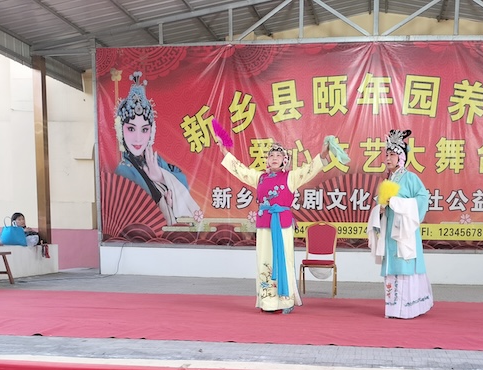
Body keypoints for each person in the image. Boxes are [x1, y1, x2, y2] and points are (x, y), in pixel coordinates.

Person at [215, 137, 331, 313]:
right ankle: (267, 301)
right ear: (267, 160)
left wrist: (322, 155)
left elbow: (308, 171)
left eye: (278, 155)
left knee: (283, 260)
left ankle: (285, 301)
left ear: (285, 160)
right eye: (271, 156)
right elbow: (241, 171)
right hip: (265, 225)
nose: (275, 158)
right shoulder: (260, 178)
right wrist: (224, 151)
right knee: (264, 260)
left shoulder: (291, 177)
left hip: (282, 225)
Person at [114, 71, 200, 227]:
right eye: (131, 129)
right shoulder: (123, 170)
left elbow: (182, 181)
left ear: (151, 131)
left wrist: (161, 177)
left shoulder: (156, 161)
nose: (138, 138)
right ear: (121, 129)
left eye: (144, 129)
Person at [367, 129, 433, 319]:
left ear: (401, 157)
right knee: (393, 268)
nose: (388, 158)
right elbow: (379, 206)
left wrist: (397, 203)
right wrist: (380, 210)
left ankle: (408, 308)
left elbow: (422, 200)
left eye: (392, 155)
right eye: (386, 155)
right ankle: (394, 308)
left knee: (405, 267)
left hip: (404, 232)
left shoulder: (411, 178)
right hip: (389, 231)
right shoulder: (388, 181)